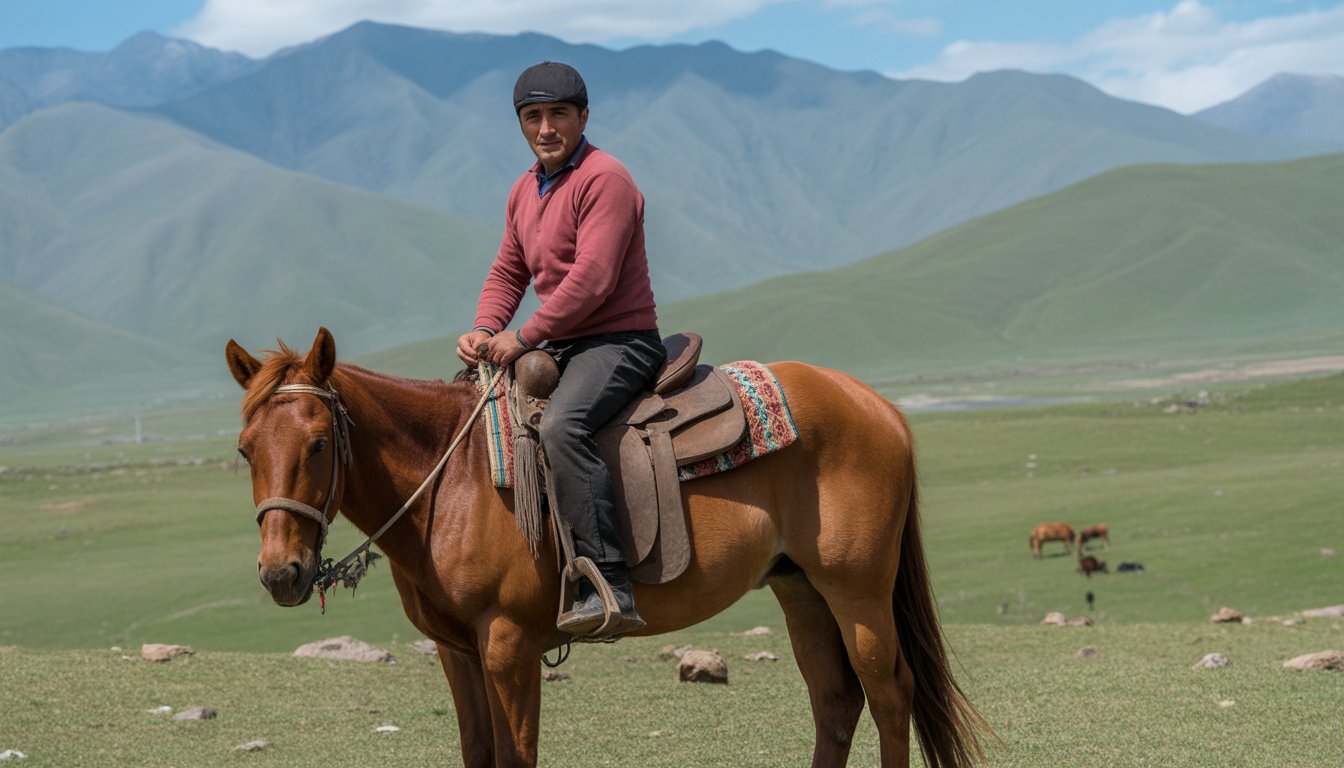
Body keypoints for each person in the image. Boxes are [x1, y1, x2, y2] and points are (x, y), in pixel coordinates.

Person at [456, 61, 664, 637]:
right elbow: (508, 269)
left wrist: (522, 336)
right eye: (533, 116)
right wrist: (483, 328)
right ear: (521, 123)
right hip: (561, 343)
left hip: (619, 340)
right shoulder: (525, 188)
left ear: (583, 117)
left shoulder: (606, 178)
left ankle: (608, 583)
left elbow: (594, 278)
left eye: (558, 114)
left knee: (561, 427)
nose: (546, 127)